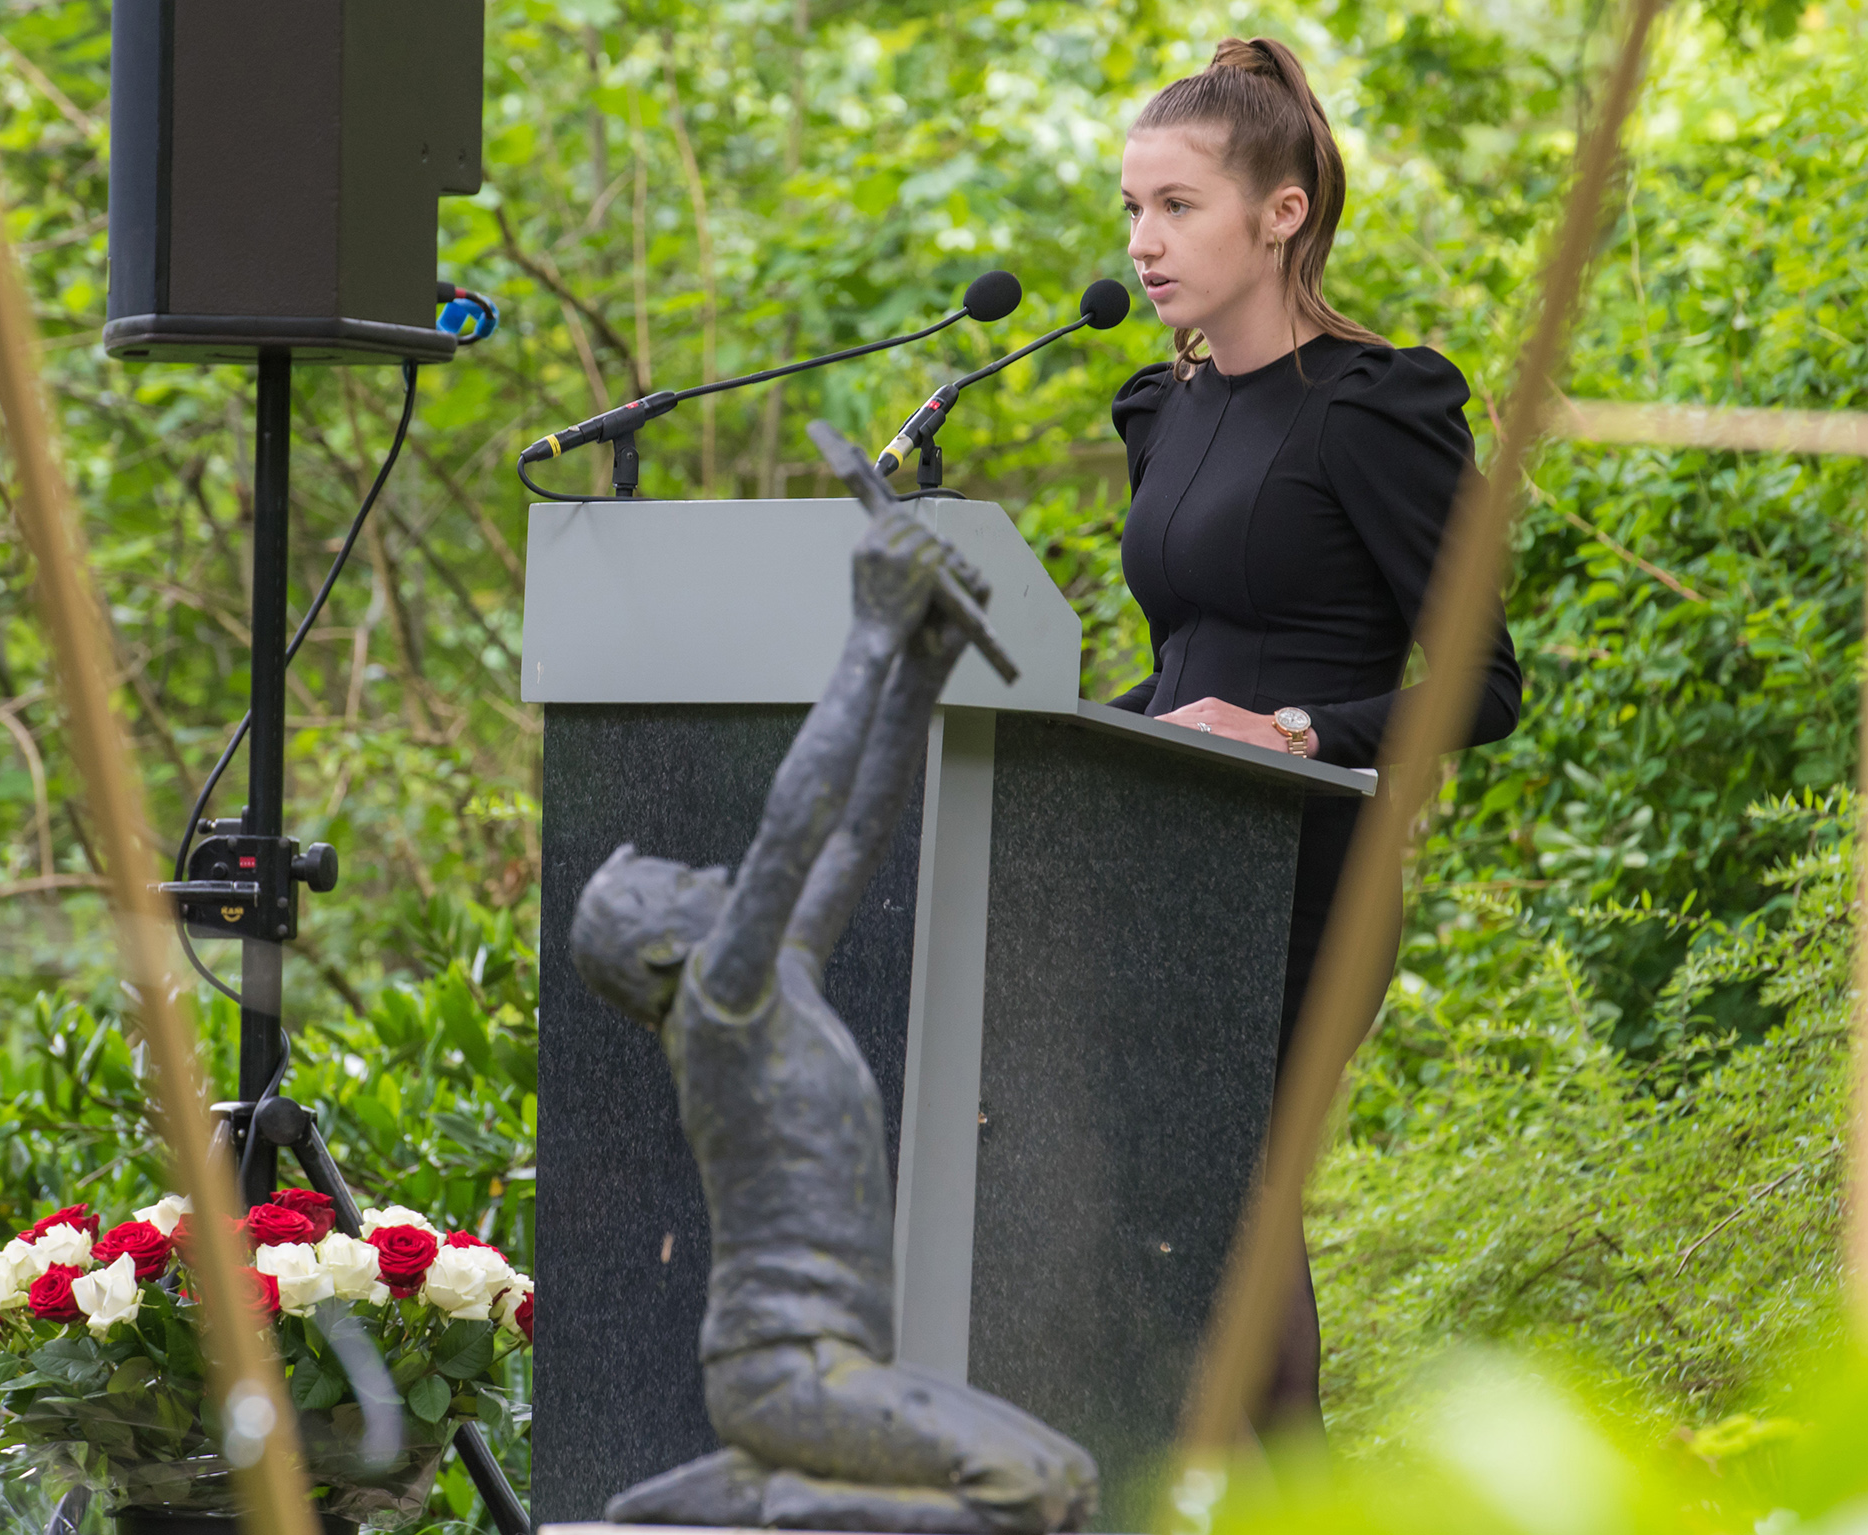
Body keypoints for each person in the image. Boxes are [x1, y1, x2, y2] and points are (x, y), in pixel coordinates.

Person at [1110, 38, 1524, 1437]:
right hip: (1160, 860)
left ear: (1278, 212)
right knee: (1166, 1246)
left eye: (1176, 206)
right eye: (1130, 209)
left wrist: (1293, 728)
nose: (1142, 241)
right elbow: (1185, 663)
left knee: (1236, 1216)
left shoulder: (1374, 406)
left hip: (1303, 885)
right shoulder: (1162, 409)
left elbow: (1484, 681)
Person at [571, 512, 1099, 1534]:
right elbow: (788, 828)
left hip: (843, 1363)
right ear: (661, 957)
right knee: (1021, 1493)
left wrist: (922, 665)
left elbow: (854, 828)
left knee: (1067, 1475)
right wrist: (869, 629)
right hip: (780, 1371)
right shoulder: (718, 1013)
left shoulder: (780, 983)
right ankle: (775, 1499)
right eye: (683, 882)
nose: (714, 876)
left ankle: (763, 1491)